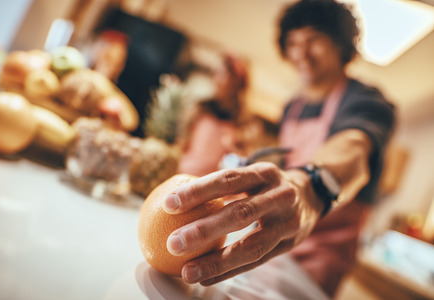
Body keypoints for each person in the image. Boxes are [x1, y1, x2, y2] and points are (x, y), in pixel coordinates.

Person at [162, 0, 395, 298]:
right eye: (293, 43)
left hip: (316, 261)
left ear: (340, 44)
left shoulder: (367, 102)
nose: (301, 53)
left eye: (314, 40)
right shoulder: (292, 108)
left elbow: (353, 150)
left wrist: (310, 188)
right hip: (275, 239)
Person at [178, 52, 252, 176]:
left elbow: (242, 164)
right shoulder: (199, 108)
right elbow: (181, 142)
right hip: (182, 175)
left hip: (213, 188)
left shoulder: (244, 125)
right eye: (214, 73)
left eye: (221, 74)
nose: (215, 79)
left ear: (236, 82)